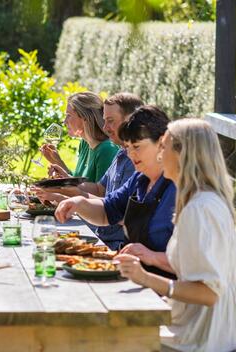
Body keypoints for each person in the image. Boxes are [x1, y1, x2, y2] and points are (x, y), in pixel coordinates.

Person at [116, 118, 236, 351]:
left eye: (164, 146)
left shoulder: (200, 209)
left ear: (182, 153)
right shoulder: (201, 201)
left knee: (111, 338)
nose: (159, 154)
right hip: (208, 329)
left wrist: (146, 278)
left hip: (205, 338)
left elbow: (209, 292)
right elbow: (193, 268)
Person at [54, 105, 176, 278]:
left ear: (161, 143)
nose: (131, 154)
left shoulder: (178, 188)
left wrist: (151, 257)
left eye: (137, 146)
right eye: (127, 147)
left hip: (164, 291)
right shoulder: (139, 180)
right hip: (132, 279)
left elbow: (195, 264)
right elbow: (107, 211)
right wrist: (78, 204)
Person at [35, 93, 142, 248]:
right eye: (104, 121)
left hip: (115, 243)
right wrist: (66, 184)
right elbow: (100, 189)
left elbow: (115, 211)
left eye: (110, 121)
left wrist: (66, 193)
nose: (105, 127)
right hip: (103, 235)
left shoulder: (126, 157)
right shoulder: (121, 152)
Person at [40, 92, 119, 183]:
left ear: (85, 118)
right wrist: (57, 162)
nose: (64, 121)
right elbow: (78, 182)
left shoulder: (107, 150)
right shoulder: (85, 143)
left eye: (68, 115)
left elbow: (100, 194)